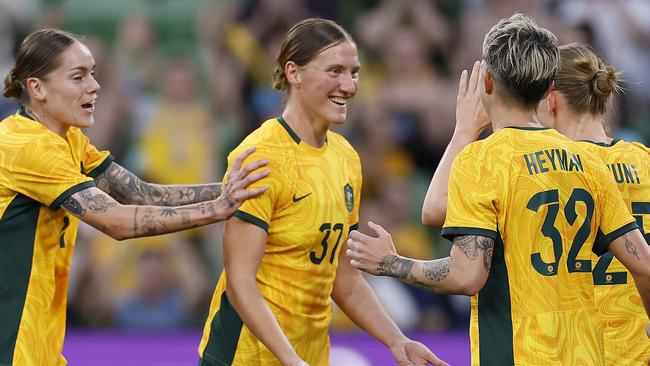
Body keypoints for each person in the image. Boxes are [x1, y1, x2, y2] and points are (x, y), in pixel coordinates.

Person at [345, 14, 650, 365]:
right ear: (546, 88)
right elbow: (643, 265)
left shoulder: (483, 160)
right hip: (587, 354)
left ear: (487, 80)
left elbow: (466, 274)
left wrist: (391, 263)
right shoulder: (588, 160)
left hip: (517, 354)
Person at [0, 28, 269, 366]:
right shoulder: (26, 146)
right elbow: (115, 221)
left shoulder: (66, 139)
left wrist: (232, 191)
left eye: (93, 74)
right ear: (37, 87)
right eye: (78, 77)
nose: (94, 86)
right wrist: (217, 209)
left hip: (39, 348)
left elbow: (139, 193)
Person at [197, 18, 446, 366]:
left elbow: (342, 275)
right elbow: (240, 283)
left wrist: (397, 341)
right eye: (334, 71)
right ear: (294, 73)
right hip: (243, 357)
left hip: (309, 355)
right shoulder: (260, 156)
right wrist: (291, 359)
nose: (348, 85)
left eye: (354, 72)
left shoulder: (346, 158)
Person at [536, 42, 650, 365]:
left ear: (551, 99)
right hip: (641, 349)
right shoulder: (645, 161)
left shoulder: (553, 171)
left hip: (581, 350)